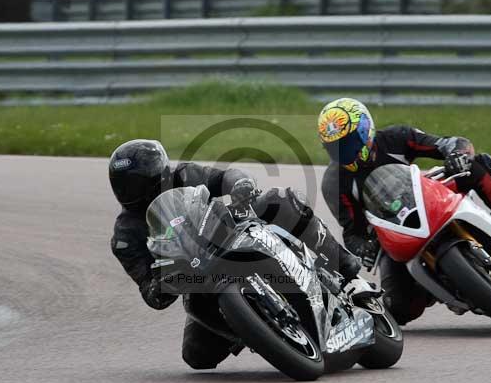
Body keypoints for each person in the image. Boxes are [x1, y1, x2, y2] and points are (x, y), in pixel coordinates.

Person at [109, 139, 362, 370]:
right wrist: (160, 285)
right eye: (126, 185)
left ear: (160, 174)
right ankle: (255, 325)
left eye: (139, 182)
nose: (133, 190)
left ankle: (342, 261)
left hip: (231, 234)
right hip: (200, 281)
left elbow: (225, 177)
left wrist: (241, 185)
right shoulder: (125, 237)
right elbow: (150, 293)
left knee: (279, 200)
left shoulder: (184, 175)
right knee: (196, 356)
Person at [317, 97, 491, 325]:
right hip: (393, 231)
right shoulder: (334, 183)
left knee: (479, 166)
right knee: (398, 309)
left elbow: (450, 143)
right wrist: (363, 248)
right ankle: (433, 285)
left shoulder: (395, 138)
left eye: (348, 142)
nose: (344, 152)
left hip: (428, 196)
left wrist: (458, 155)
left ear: (365, 130)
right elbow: (352, 230)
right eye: (335, 148)